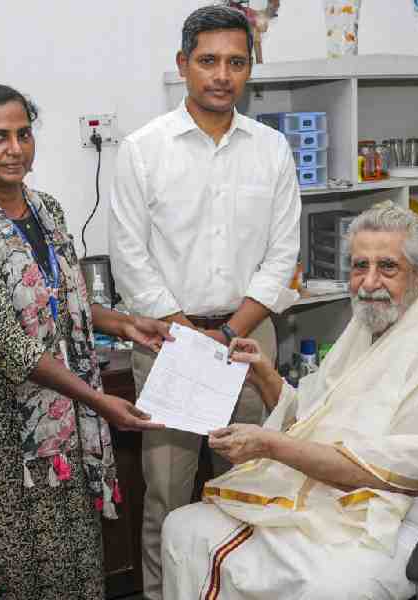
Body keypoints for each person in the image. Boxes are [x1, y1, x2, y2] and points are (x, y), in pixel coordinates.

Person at [161, 202, 418, 599]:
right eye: (359, 266)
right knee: (183, 529)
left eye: (388, 267)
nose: (369, 283)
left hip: (408, 509)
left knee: (325, 587)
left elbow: (384, 468)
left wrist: (270, 445)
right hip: (340, 490)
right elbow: (315, 414)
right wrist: (265, 375)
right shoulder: (369, 322)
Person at [0, 84, 174, 600]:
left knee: (75, 537)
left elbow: (63, 297)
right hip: (0, 418)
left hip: (62, 408)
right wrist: (95, 399)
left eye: (23, 134)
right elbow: (5, 341)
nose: (15, 148)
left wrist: (125, 324)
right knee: (19, 549)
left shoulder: (46, 208)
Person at [107, 6, 301, 597]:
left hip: (248, 344)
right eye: (209, 60)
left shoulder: (271, 149)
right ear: (183, 65)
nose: (222, 74)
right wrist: (186, 332)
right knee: (166, 495)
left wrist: (227, 332)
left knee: (248, 487)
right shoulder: (143, 150)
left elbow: (282, 254)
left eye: (236, 62)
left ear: (250, 68)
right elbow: (129, 255)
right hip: (168, 344)